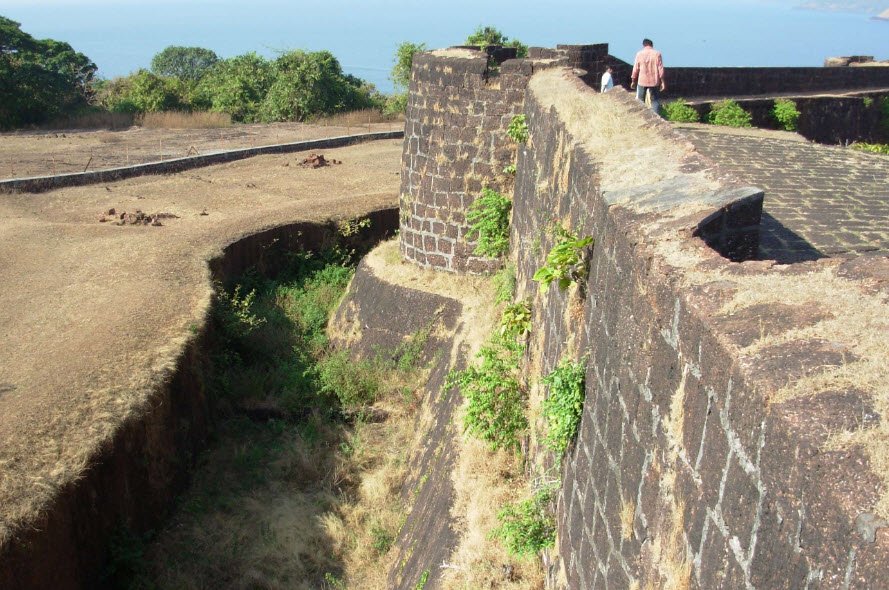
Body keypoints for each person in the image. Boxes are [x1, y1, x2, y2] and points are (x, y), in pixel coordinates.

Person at [630, 38, 665, 114]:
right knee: (655, 101)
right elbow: (660, 69)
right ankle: (655, 116)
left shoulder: (639, 54)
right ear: (652, 45)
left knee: (640, 100)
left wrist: (633, 80)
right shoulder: (657, 54)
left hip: (642, 80)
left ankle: (642, 116)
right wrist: (662, 82)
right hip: (654, 81)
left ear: (643, 45)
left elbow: (635, 68)